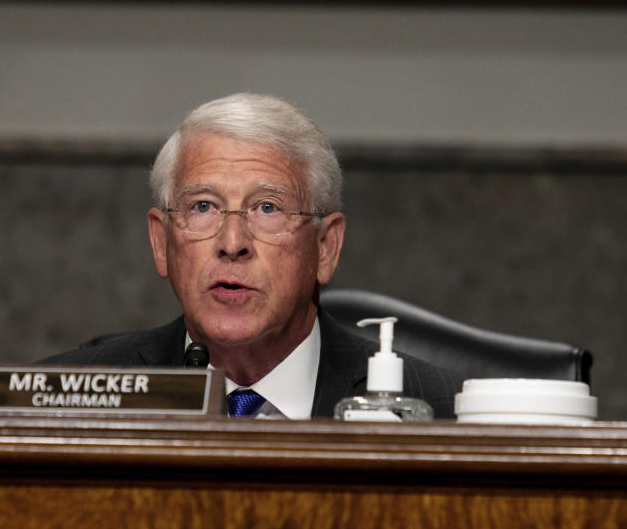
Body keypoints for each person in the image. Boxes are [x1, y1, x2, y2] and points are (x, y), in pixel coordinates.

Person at [42, 93, 461, 418]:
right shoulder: (63, 400)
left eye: (267, 208)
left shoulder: (442, 411)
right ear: (161, 242)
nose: (232, 242)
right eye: (203, 206)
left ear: (324, 247)